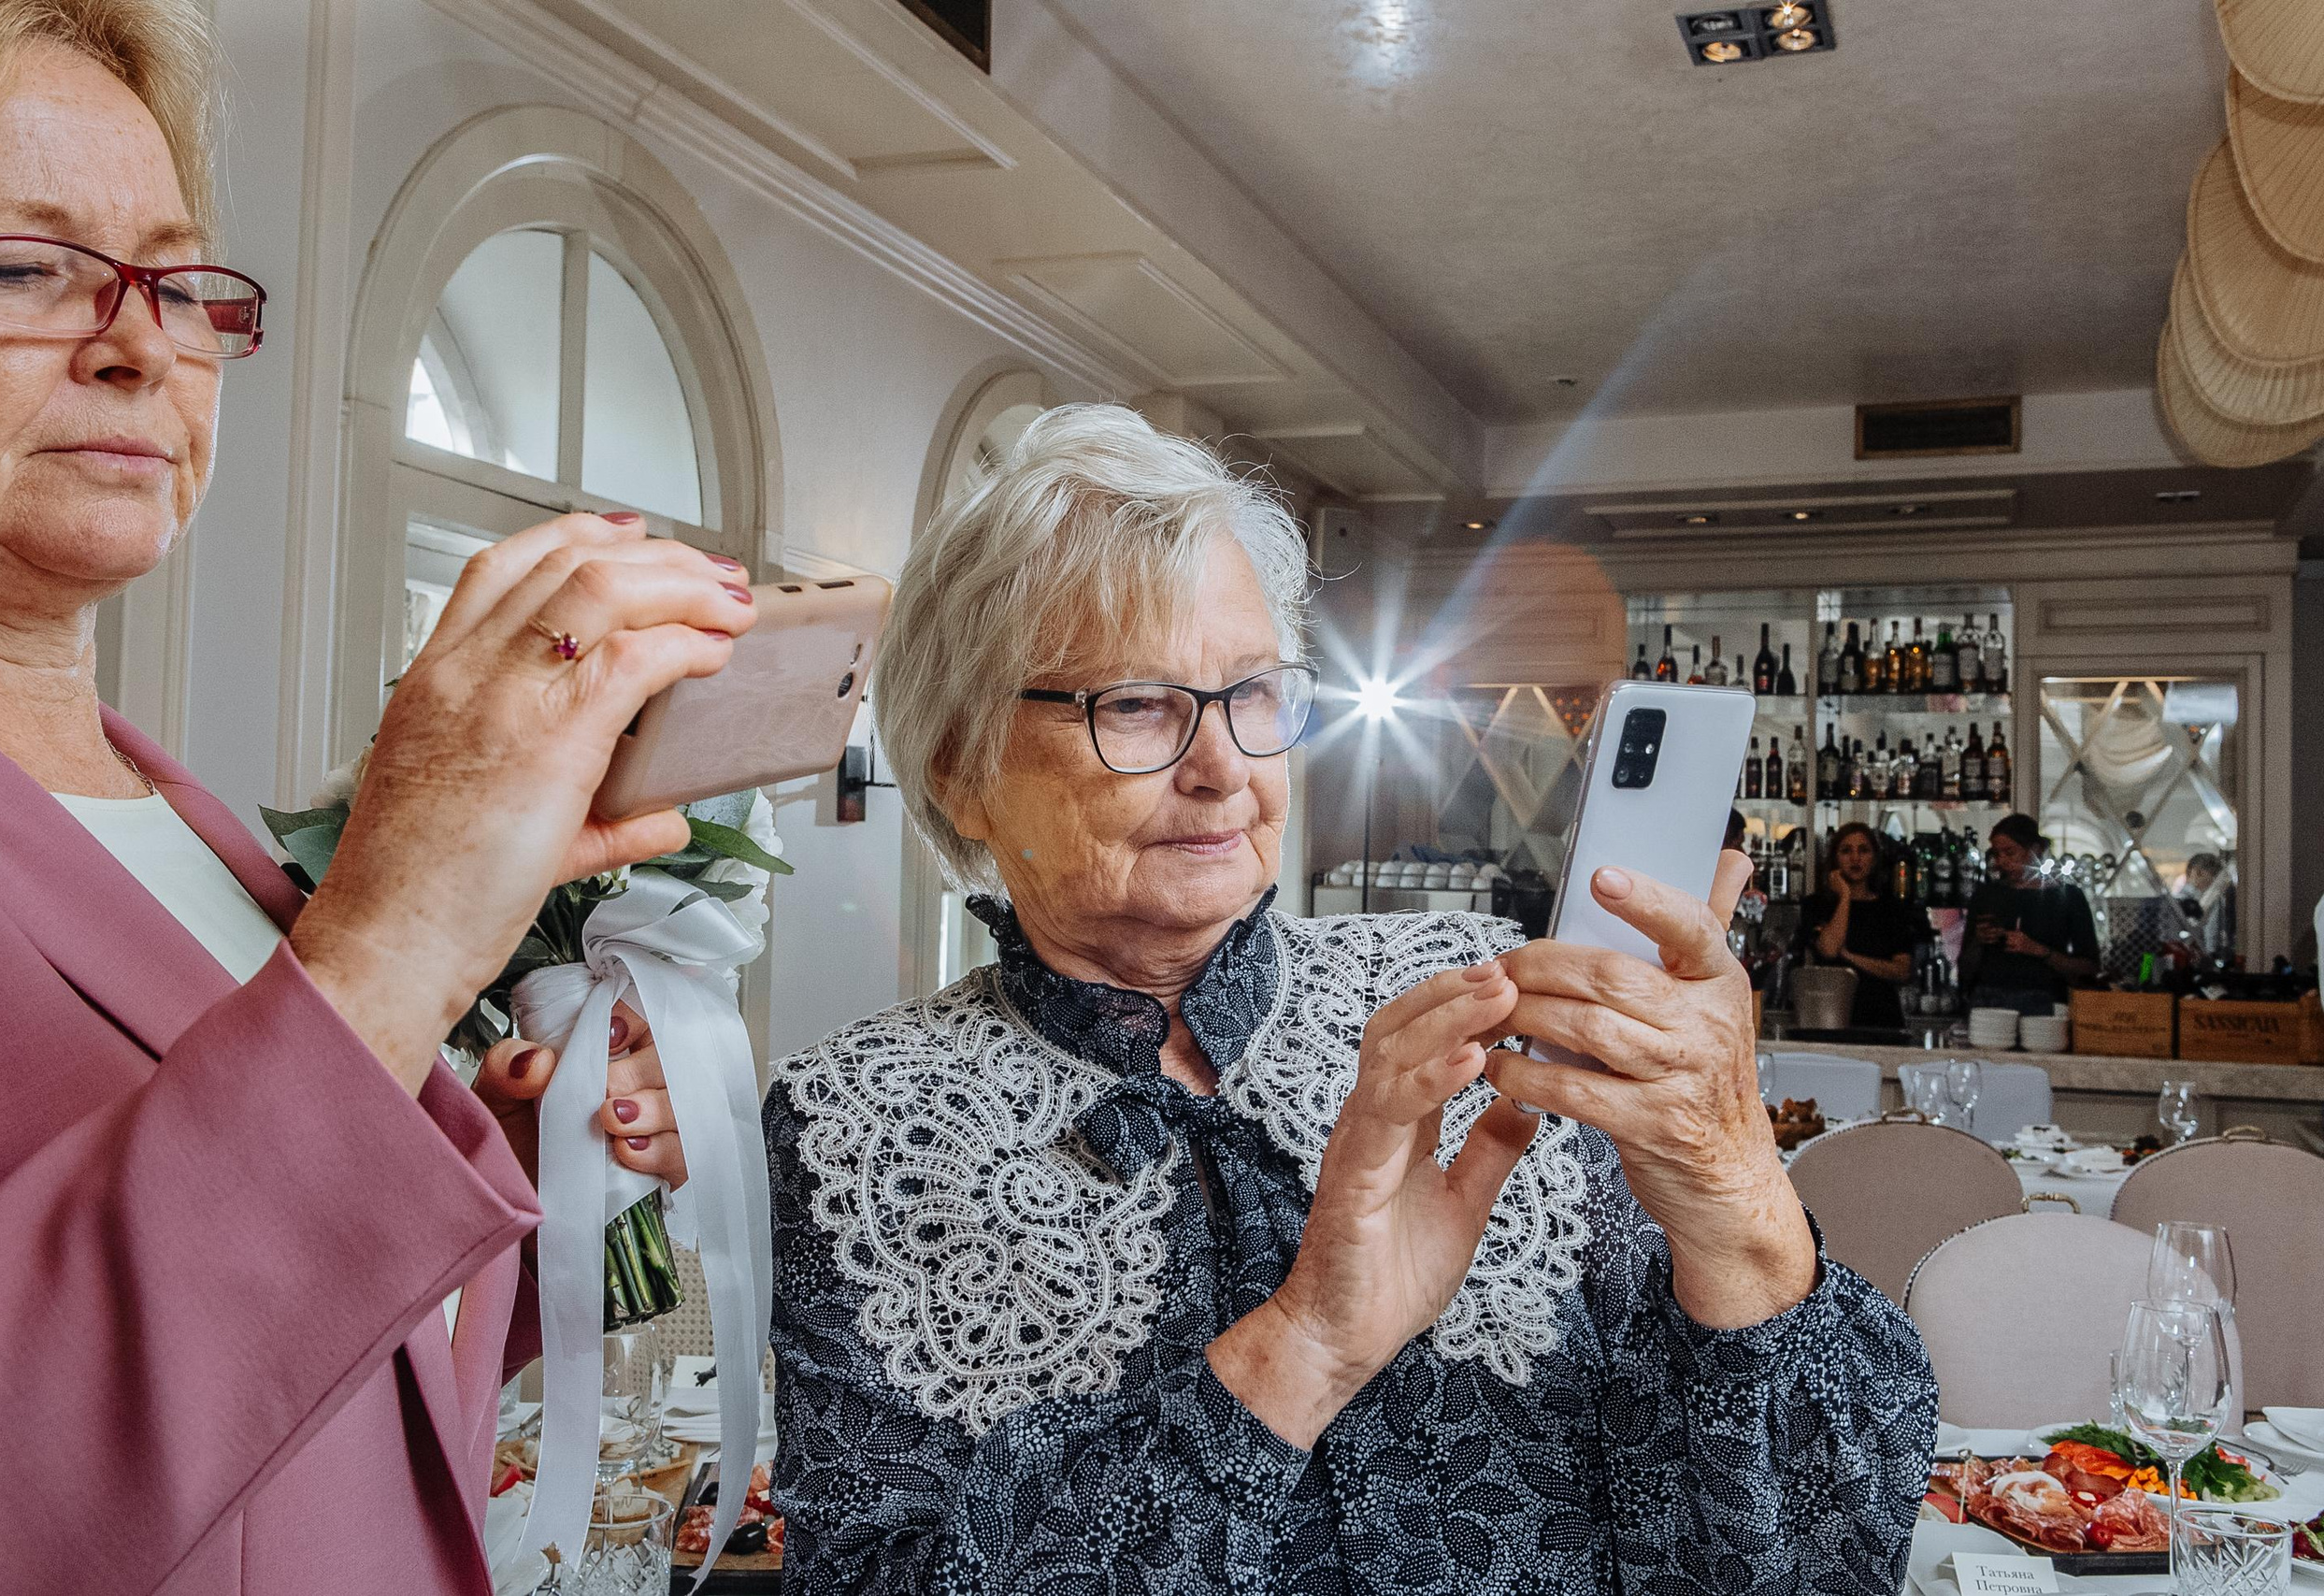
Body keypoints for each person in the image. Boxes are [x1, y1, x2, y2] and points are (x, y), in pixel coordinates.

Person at [766, 405, 1935, 1594]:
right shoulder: (858, 1119)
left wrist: (1736, 1205)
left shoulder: (1481, 998)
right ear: (962, 769)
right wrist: (1304, 1348)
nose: (1222, 766)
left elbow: (1819, 1555)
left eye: (1253, 694)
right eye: (1133, 704)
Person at [0, 4, 754, 1589]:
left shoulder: (188, 828)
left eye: (172, 277)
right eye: (25, 266)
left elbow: (307, 1392)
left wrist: (528, 1141)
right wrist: (386, 946)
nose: (139, 340)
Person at [1960, 813, 2100, 1016]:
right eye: (1997, 854)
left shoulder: (2067, 897)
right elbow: (1964, 965)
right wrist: (1979, 941)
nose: (2002, 862)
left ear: (2035, 850)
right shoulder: (1986, 894)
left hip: (2044, 1002)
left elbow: (2089, 966)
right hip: (1988, 1001)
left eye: (2010, 853)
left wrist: (2038, 950)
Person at [1796, 821, 1928, 1030]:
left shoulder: (1891, 908)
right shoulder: (1817, 905)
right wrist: (1845, 896)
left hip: (1882, 1018)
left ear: (1875, 858)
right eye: (1846, 851)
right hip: (1829, 1016)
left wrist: (1848, 956)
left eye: (1863, 850)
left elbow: (1902, 970)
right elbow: (1829, 950)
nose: (1855, 858)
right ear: (1835, 858)